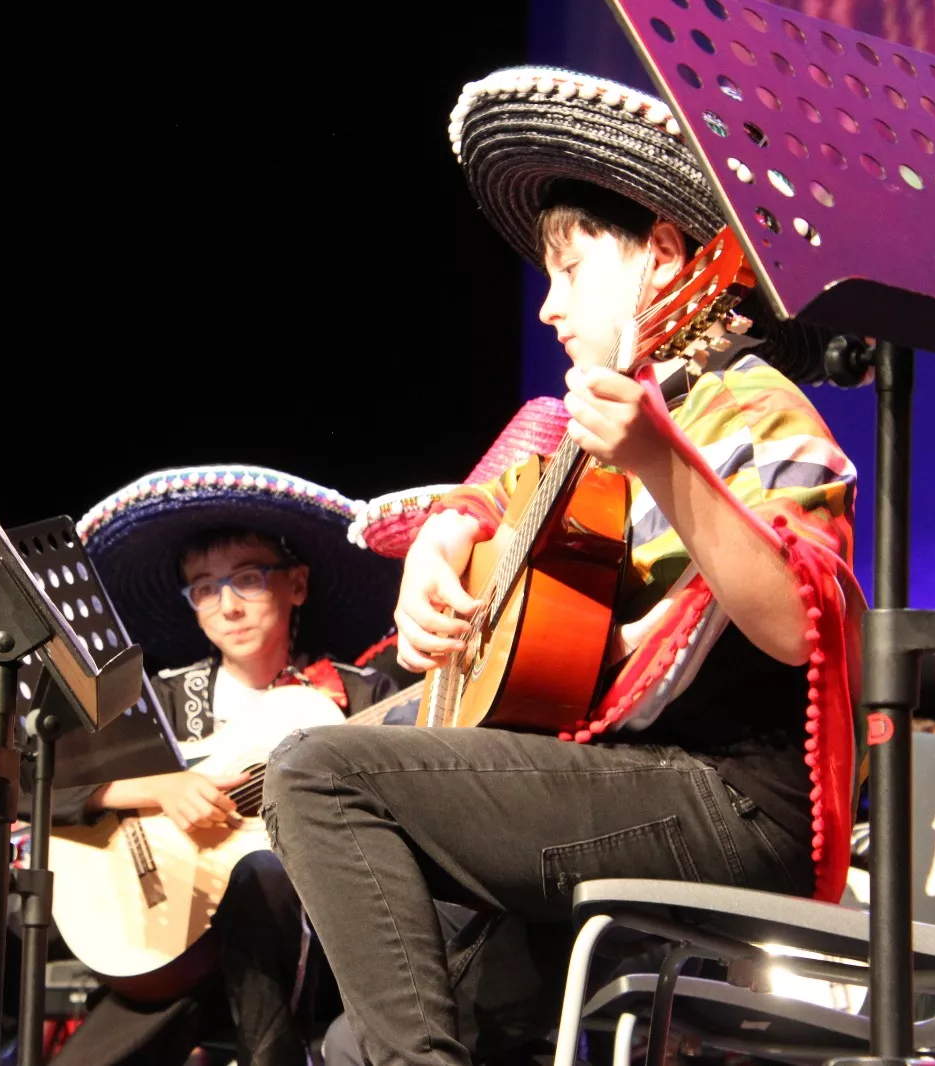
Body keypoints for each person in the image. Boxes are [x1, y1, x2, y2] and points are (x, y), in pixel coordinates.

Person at [264, 66, 865, 1066]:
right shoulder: (583, 451)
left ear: (667, 260)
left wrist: (660, 460)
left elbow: (800, 624)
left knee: (318, 774)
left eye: (571, 270)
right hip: (622, 778)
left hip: (732, 799)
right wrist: (445, 544)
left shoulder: (751, 402)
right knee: (341, 1041)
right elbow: (490, 498)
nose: (547, 308)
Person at [46, 465, 403, 1066]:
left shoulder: (363, 697)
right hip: (174, 932)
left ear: (297, 585)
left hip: (321, 952)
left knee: (262, 873)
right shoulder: (159, 703)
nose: (228, 606)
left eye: (248, 579)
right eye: (206, 588)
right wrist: (159, 787)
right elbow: (38, 785)